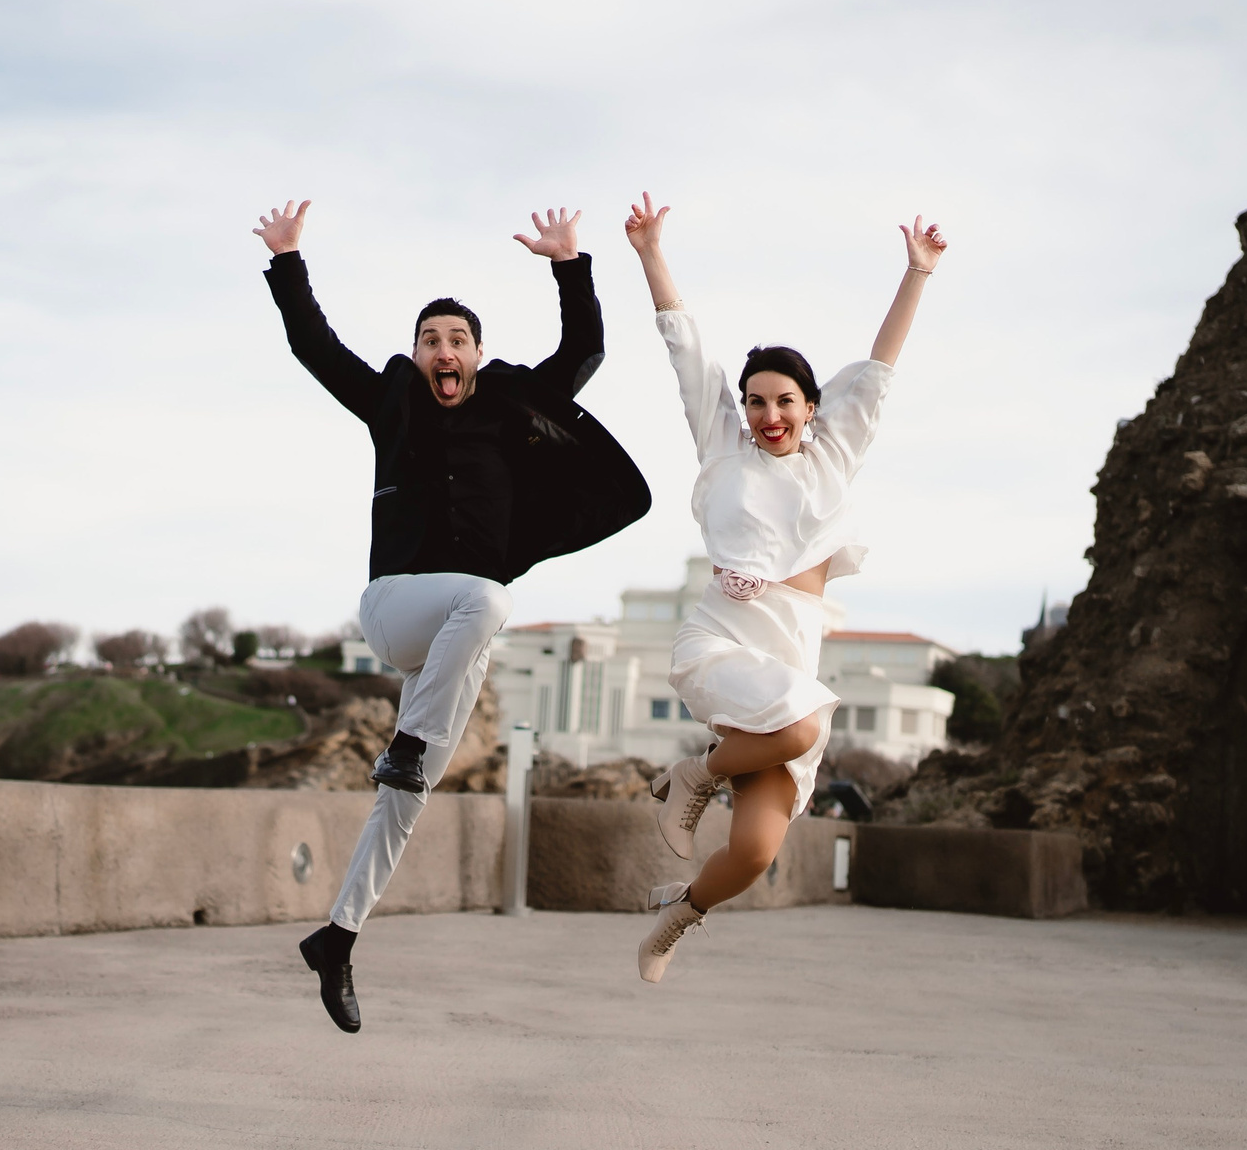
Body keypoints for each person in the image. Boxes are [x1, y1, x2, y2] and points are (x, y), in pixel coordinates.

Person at [256, 200, 650, 1031]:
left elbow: (586, 350)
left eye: (458, 340)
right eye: (431, 339)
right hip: (400, 606)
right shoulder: (391, 406)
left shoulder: (510, 409)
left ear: (475, 355)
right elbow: (314, 347)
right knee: (489, 598)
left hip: (460, 636)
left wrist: (570, 264)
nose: (445, 351)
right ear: (417, 354)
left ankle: (338, 937)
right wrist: (289, 261)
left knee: (410, 794)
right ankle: (406, 743)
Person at [621, 192, 944, 982]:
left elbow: (882, 367)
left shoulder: (836, 454)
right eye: (756, 400)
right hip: (727, 641)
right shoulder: (723, 450)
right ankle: (693, 776)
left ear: (810, 408)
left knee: (757, 850)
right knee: (804, 726)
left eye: (784, 401)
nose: (769, 414)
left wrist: (916, 275)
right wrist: (650, 254)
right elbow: (686, 348)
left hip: (788, 664)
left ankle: (677, 915)